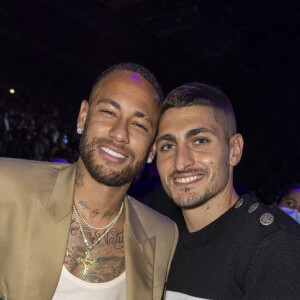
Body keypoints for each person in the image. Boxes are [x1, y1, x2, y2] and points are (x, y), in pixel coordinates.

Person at [0, 63, 178, 300]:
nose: (119, 133)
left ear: (152, 149)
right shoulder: (7, 186)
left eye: (139, 124)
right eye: (109, 112)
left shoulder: (164, 235)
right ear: (83, 117)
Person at [153, 82, 300, 299]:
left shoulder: (272, 243)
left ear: (234, 150)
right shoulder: (165, 240)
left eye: (200, 141)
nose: (181, 162)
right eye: (168, 146)